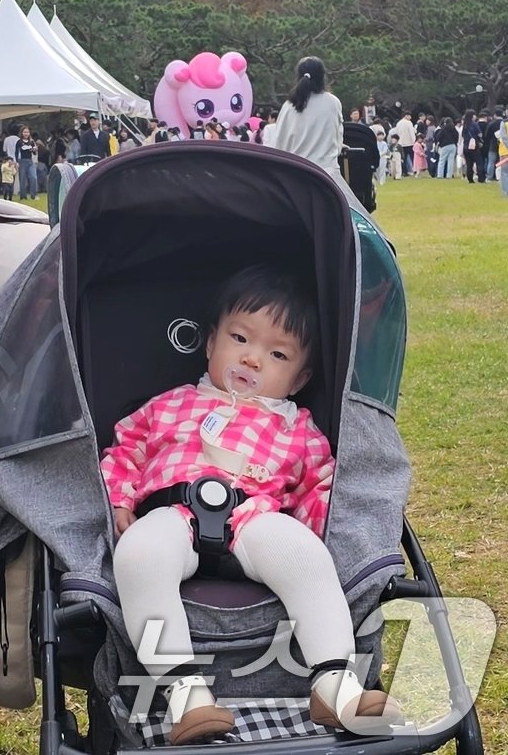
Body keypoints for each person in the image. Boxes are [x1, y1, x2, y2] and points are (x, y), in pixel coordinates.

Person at [104, 265, 401, 746]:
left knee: (307, 557)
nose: (253, 359)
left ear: (301, 377)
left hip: (255, 518)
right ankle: (185, 694)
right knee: (138, 556)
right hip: (170, 510)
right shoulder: (169, 404)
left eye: (277, 353)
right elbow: (123, 452)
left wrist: (330, 532)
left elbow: (320, 487)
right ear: (210, 343)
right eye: (240, 338)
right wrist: (119, 499)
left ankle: (336, 683)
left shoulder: (296, 427)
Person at [266, 57, 344, 182]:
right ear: (322, 77)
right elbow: (337, 138)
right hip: (327, 176)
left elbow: (279, 144)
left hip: (294, 174)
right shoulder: (333, 103)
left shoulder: (288, 105)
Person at [496, 102, 508, 199]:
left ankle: (506, 193)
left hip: (506, 151)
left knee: (505, 173)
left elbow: (504, 137)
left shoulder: (504, 122)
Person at [15, 126, 37, 199]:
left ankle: (33, 195)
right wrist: (17, 162)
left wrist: (34, 149)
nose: (26, 134)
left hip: (30, 161)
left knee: (33, 177)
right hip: (22, 161)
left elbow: (34, 153)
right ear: (21, 133)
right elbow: (16, 152)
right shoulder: (19, 142)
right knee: (22, 179)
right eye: (24, 132)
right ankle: (23, 196)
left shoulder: (32, 141)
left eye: (27, 132)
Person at [465, 110, 487, 184]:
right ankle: (481, 178)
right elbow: (479, 134)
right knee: (479, 162)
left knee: (469, 164)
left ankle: (470, 179)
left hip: (466, 146)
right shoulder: (474, 124)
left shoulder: (465, 124)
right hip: (474, 146)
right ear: (472, 116)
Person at [392, 112, 417, 176]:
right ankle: (415, 170)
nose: (410, 118)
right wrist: (414, 141)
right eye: (409, 116)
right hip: (409, 143)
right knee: (413, 157)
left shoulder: (399, 123)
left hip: (401, 143)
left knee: (403, 158)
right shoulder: (409, 123)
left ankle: (404, 171)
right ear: (406, 116)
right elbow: (412, 133)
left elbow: (396, 133)